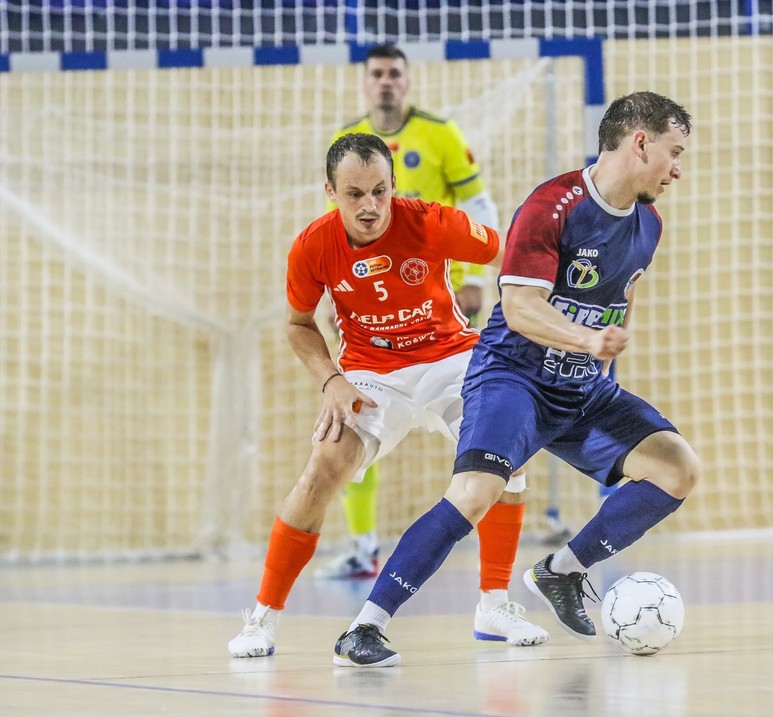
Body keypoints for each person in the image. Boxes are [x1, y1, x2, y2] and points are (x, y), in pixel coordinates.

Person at [333, 92, 701, 668]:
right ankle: (365, 627)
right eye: (674, 152)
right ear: (640, 142)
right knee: (477, 494)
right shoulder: (552, 206)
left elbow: (621, 297)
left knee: (676, 467)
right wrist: (586, 340)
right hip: (515, 378)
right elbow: (522, 307)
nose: (678, 167)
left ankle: (563, 571)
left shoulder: (648, 225)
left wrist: (601, 349)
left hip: (583, 389)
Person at [227, 133, 548, 658]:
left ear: (394, 185)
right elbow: (297, 323)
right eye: (354, 194)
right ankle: (262, 619)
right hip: (370, 375)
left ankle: (493, 605)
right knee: (318, 474)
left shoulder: (429, 221)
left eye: (380, 191)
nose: (370, 206)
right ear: (330, 192)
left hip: (449, 360)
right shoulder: (313, 246)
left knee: (508, 457)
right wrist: (332, 380)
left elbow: (509, 252)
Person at [316, 43, 508, 581]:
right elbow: (333, 228)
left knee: (487, 426)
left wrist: (474, 280)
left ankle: (490, 579)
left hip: (435, 307)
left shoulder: (439, 135)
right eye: (376, 73)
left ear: (407, 81)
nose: (385, 82)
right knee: (351, 419)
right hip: (369, 311)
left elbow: (479, 210)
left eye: (394, 73)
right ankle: (361, 545)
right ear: (364, 82)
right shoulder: (346, 141)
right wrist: (334, 294)